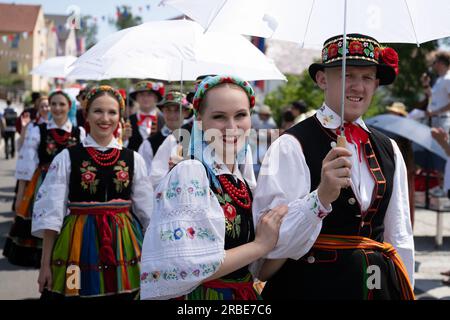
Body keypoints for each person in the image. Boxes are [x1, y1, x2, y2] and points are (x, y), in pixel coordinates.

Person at [253, 34, 415, 300]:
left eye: (367, 77)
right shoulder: (291, 145)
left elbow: (399, 234)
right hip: (310, 289)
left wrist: (405, 286)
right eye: (347, 75)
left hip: (376, 288)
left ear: (376, 84)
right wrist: (320, 198)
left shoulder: (389, 148)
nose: (358, 87)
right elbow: (271, 242)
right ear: (322, 79)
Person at [140, 75, 287, 300]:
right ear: (200, 120)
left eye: (241, 115)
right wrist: (261, 245)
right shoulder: (191, 173)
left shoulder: (243, 183)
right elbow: (190, 267)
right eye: (219, 117)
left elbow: (259, 270)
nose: (232, 127)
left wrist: (315, 206)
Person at [31, 85, 153, 299]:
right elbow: (51, 215)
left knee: (124, 294)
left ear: (120, 117)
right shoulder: (67, 157)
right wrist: (45, 265)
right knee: (75, 289)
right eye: (98, 111)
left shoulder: (133, 159)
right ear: (86, 114)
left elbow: (148, 215)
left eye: (112, 112)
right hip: (76, 247)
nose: (105, 118)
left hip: (124, 246)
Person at [3, 91, 84, 268]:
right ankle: (46, 265)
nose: (57, 108)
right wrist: (20, 196)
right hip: (44, 183)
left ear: (69, 107)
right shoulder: (37, 130)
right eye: (53, 104)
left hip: (72, 185)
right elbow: (26, 166)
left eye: (61, 104)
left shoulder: (80, 133)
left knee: (69, 226)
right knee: (45, 224)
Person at [138, 90, 192, 175]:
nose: (172, 115)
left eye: (177, 110)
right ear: (162, 111)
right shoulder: (149, 144)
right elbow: (145, 177)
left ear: (186, 112)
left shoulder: (194, 139)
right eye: (168, 110)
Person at [385, 102, 416, 227]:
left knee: (404, 198)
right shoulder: (391, 128)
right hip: (394, 165)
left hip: (404, 167)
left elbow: (406, 153)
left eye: (393, 112)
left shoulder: (404, 131)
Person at [123, 81, 166, 151]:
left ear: (156, 98)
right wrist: (124, 139)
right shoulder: (127, 121)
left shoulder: (165, 120)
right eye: (141, 94)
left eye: (149, 95)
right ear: (136, 98)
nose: (145, 98)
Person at [421, 52, 450, 132]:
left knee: (440, 144)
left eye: (434, 62)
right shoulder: (440, 79)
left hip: (443, 120)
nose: (433, 64)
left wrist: (435, 112)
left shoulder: (448, 79)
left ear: (440, 63)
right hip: (436, 119)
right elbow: (431, 96)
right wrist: (426, 84)